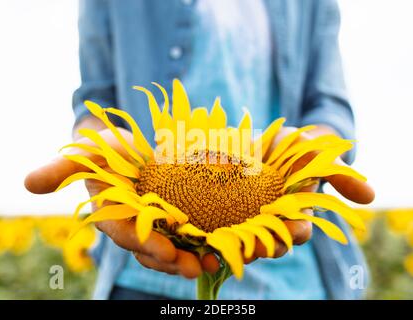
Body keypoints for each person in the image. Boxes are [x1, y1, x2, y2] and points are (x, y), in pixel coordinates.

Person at [25, 0, 374, 300]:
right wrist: (100, 146)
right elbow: (97, 99)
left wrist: (313, 151)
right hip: (143, 272)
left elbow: (329, 104)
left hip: (294, 272)